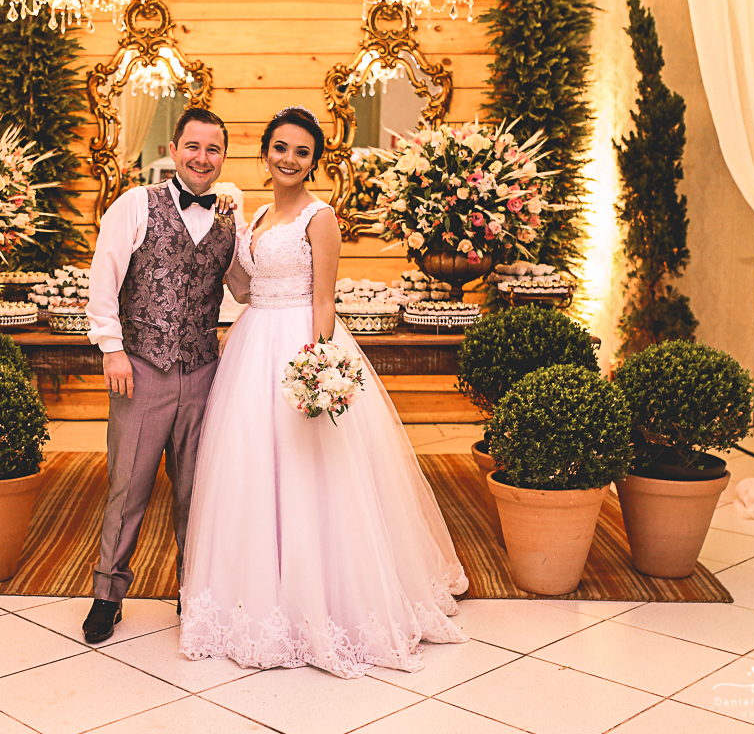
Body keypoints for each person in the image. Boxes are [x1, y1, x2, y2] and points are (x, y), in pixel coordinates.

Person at [178, 106, 469, 679]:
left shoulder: (321, 216)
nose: (289, 159)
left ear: (314, 161)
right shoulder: (257, 215)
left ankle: (325, 602)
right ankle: (253, 598)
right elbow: (243, 287)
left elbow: (324, 299)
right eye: (280, 147)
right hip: (251, 345)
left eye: (302, 151)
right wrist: (229, 240)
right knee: (251, 470)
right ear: (265, 153)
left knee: (311, 474)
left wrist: (318, 369)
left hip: (298, 345)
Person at [83, 107, 241, 644]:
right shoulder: (135, 203)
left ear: (224, 157)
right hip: (141, 369)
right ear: (173, 150)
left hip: (203, 371)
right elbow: (103, 277)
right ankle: (108, 595)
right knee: (127, 487)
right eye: (192, 146)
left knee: (197, 491)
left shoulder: (229, 219)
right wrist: (112, 349)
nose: (202, 157)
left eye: (213, 149)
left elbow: (243, 288)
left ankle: (192, 592)